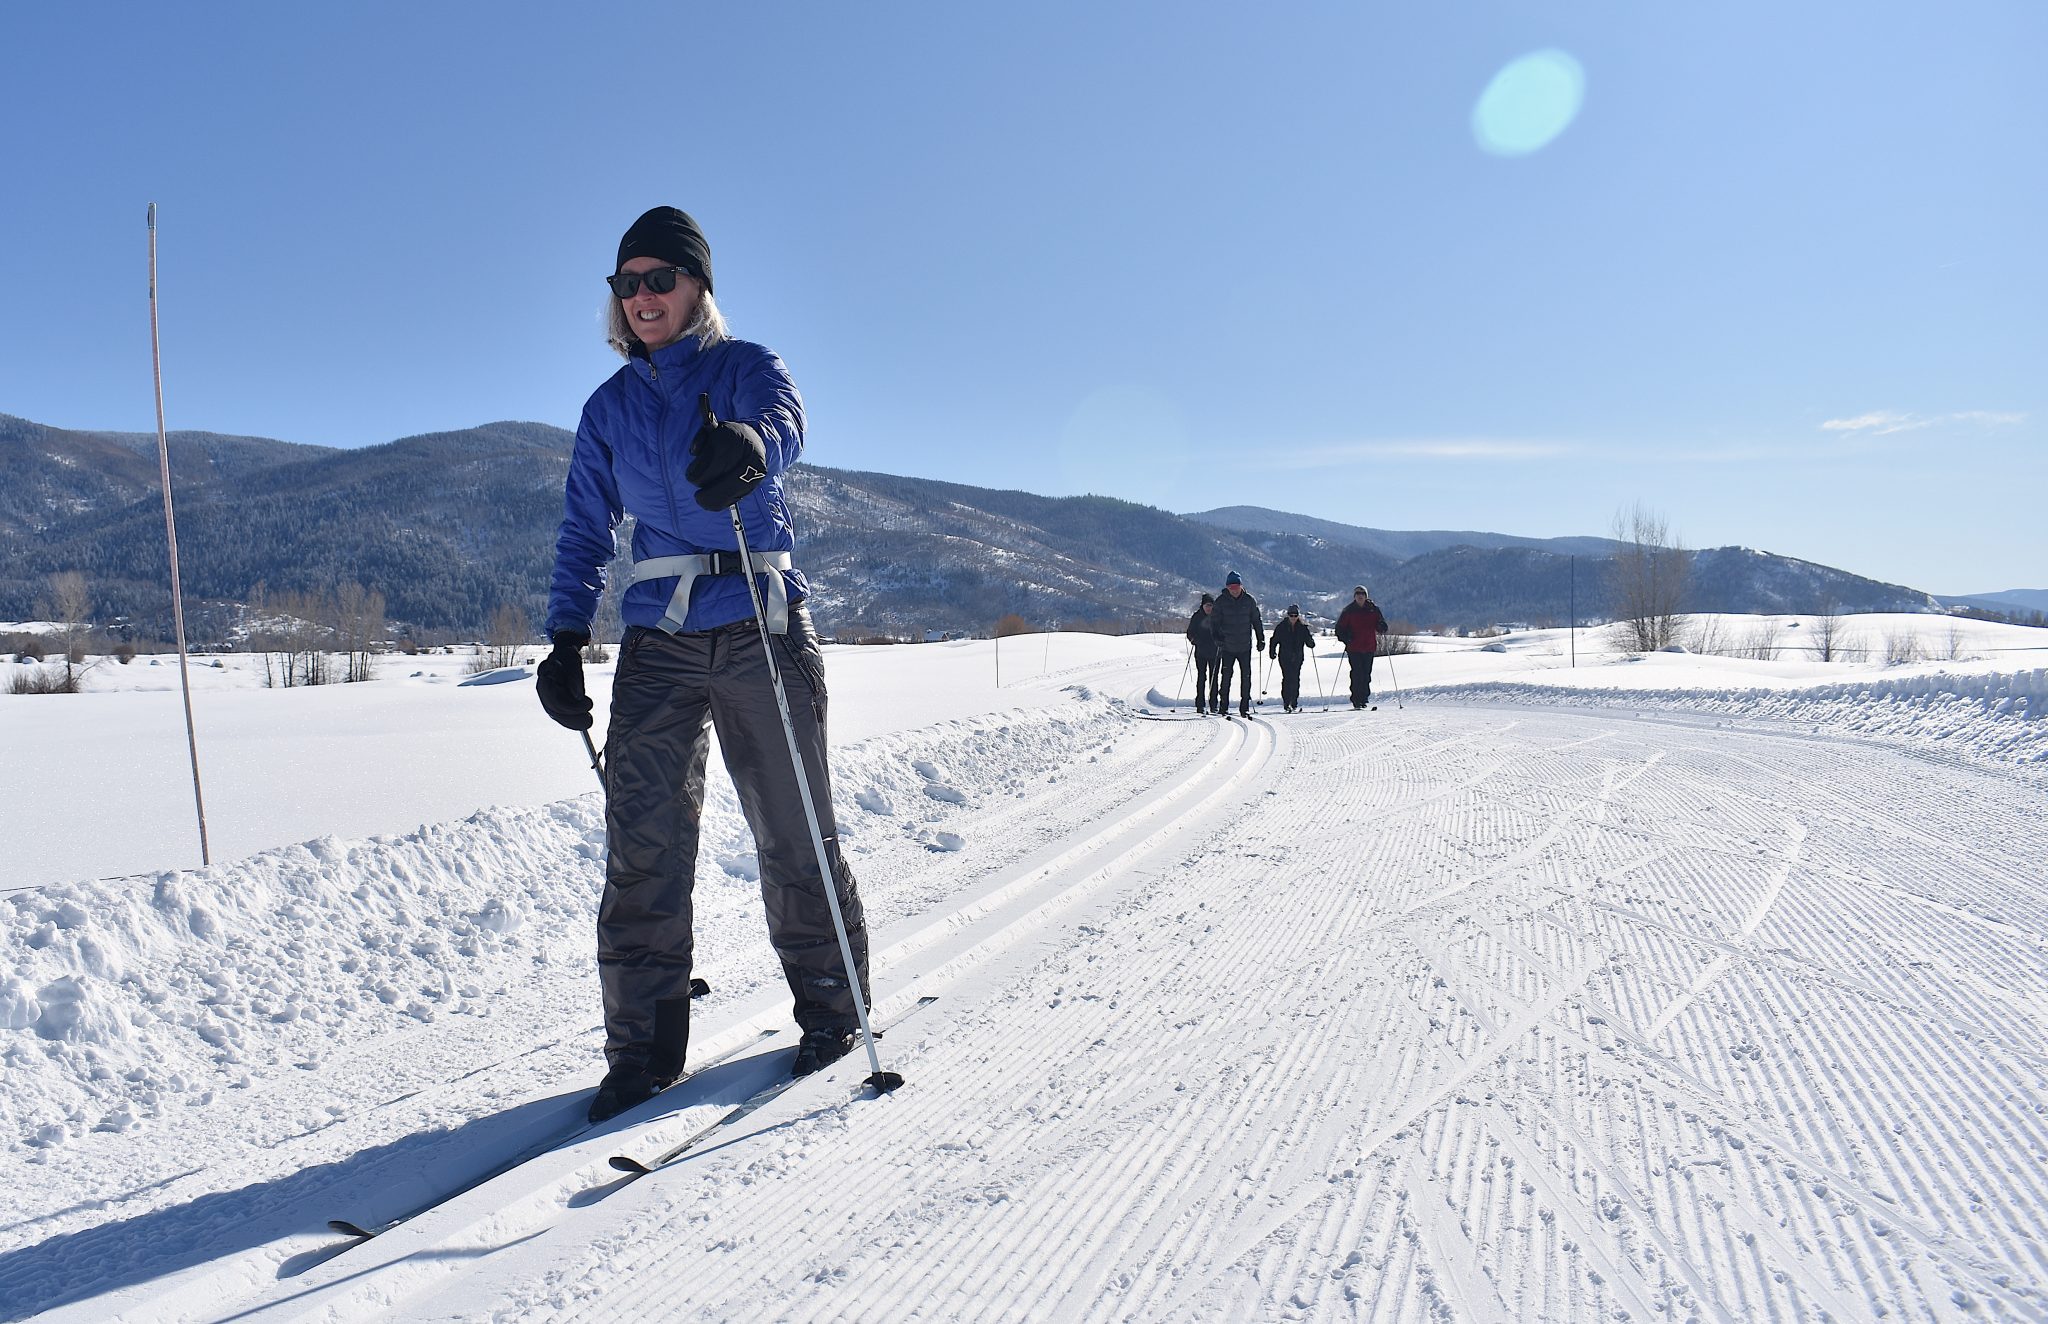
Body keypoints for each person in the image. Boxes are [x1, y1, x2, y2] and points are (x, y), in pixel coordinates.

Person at [537, 206, 870, 1122]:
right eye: (627, 283)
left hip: (762, 623)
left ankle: (834, 1013)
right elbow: (583, 532)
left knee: (792, 829)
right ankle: (641, 1053)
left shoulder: (744, 367)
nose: (642, 297)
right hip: (658, 644)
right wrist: (566, 638)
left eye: (660, 279)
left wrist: (754, 448)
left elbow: (786, 420)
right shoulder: (607, 410)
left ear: (697, 288)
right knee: (643, 850)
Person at [1210, 571, 1264, 718]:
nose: (1234, 589)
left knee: (1246, 678)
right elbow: (1214, 623)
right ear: (1227, 587)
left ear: (1241, 586)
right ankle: (1223, 706)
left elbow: (1256, 621)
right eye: (1231, 586)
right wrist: (1217, 638)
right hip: (1227, 646)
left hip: (1245, 646)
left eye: (1236, 586)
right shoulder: (1221, 602)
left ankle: (1244, 707)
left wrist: (1261, 638)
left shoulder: (1249, 601)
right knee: (1226, 677)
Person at [1334, 585, 1390, 710]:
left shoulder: (1373, 610)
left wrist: (1382, 627)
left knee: (1366, 674)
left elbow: (1381, 624)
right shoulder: (1348, 611)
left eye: (1362, 594)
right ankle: (1356, 699)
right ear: (1354, 596)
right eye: (1358, 594)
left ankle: (1364, 697)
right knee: (1356, 673)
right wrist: (1345, 637)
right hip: (1354, 647)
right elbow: (1339, 629)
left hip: (1369, 646)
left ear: (1366, 596)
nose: (1360, 596)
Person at [1268, 604, 1315, 713]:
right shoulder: (1281, 627)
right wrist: (1272, 652)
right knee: (1287, 678)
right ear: (1288, 615)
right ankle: (1287, 702)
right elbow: (1274, 640)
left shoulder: (1303, 627)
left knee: (1295, 679)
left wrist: (1311, 643)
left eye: (1295, 615)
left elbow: (1309, 641)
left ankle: (1293, 702)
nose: (1293, 617)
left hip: (1298, 657)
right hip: (1284, 656)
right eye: (1291, 615)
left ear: (1298, 615)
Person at [1185, 593, 1221, 715]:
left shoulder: (1217, 617)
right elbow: (1189, 633)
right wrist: (1194, 640)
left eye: (1211, 605)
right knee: (1202, 678)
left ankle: (1213, 704)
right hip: (1200, 652)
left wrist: (1221, 640)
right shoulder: (1197, 617)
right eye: (1207, 605)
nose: (1208, 608)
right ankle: (1200, 705)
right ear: (1203, 605)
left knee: (1214, 679)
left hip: (1215, 652)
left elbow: (1223, 631)